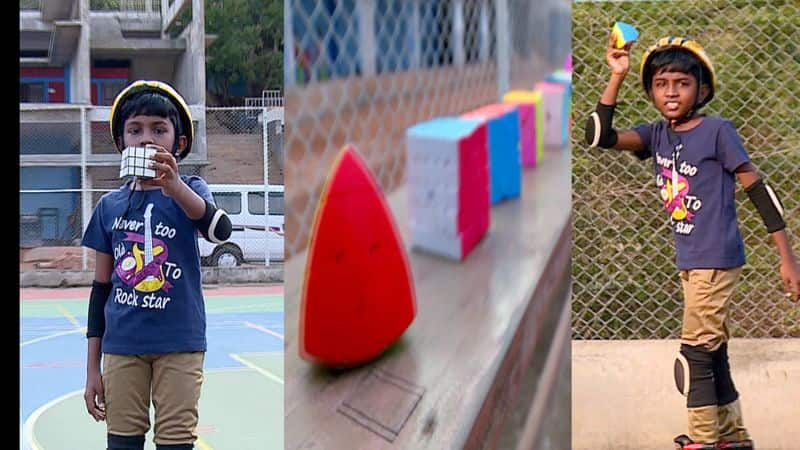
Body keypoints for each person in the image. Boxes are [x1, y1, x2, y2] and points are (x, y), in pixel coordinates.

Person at [584, 33, 800, 449]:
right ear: (650, 90)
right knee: (713, 352)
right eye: (661, 84)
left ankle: (702, 440)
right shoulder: (656, 135)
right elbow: (599, 135)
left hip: (715, 257)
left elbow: (758, 189)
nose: (671, 92)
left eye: (681, 83)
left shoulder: (718, 131)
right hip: (692, 260)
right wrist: (617, 74)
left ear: (701, 89)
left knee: (693, 356)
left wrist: (787, 257)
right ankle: (732, 436)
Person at [81, 80, 232, 450]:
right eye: (135, 130)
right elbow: (100, 290)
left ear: (178, 144)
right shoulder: (109, 206)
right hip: (122, 346)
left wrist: (175, 187)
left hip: (179, 342)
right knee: (122, 443)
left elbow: (220, 230)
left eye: (159, 130)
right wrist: (91, 369)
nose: (146, 139)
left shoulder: (191, 190)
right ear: (121, 143)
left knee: (176, 442)